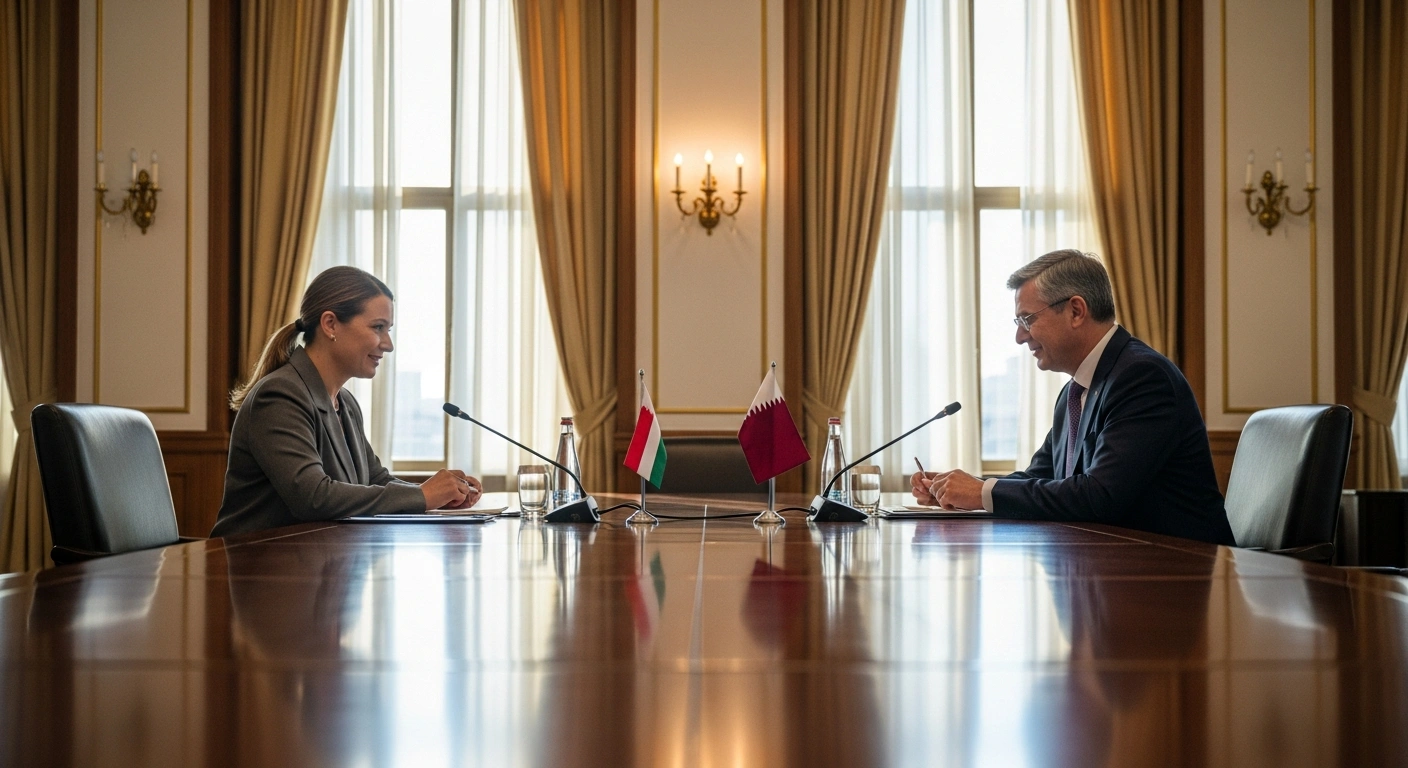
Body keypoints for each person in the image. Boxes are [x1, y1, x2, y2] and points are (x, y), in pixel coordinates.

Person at [911, 249, 1235, 546]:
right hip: (1111, 564)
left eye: (1027, 319)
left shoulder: (1142, 377)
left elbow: (1101, 496)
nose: (1019, 337)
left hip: (1178, 573)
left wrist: (981, 492)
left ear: (1076, 311)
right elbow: (1040, 478)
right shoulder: (1074, 390)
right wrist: (957, 489)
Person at [211, 266, 482, 537]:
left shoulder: (346, 402)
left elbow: (374, 479)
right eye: (378, 327)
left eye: (388, 330)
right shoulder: (279, 395)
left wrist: (441, 495)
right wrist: (423, 496)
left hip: (319, 564)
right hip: (256, 566)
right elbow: (314, 496)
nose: (388, 344)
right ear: (330, 325)